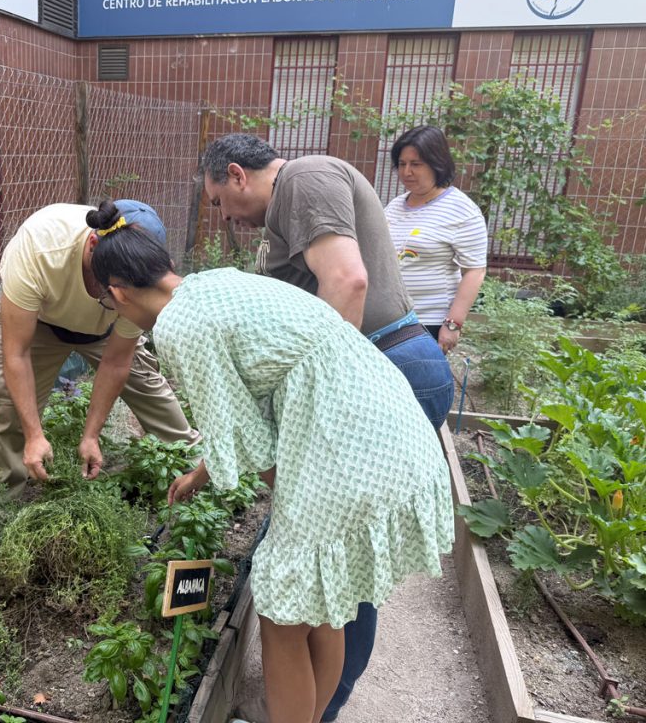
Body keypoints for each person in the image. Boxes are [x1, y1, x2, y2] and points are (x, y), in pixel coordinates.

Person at [87, 211, 454, 723]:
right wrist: (202, 473)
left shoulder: (178, 327)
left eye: (106, 301)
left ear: (119, 293)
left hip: (346, 446)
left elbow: (247, 437)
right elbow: (245, 407)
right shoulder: (214, 284)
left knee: (282, 608)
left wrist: (294, 507)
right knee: (323, 604)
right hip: (387, 424)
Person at [198, 133, 454, 722]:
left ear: (237, 174)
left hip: (388, 363)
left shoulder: (304, 179)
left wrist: (329, 402)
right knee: (330, 556)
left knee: (342, 559)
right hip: (390, 362)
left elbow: (348, 281)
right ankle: (312, 705)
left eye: (219, 201)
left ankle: (321, 708)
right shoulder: (288, 208)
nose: (225, 217)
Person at [0, 199, 196, 492]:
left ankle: (199, 475)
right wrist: (34, 434)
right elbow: (16, 354)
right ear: (94, 243)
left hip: (107, 330)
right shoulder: (39, 247)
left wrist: (91, 436)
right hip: (42, 323)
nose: (114, 292)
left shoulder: (140, 281)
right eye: (109, 280)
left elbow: (117, 361)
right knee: (12, 411)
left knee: (152, 393)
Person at [385, 126, 488, 353]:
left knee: (419, 387)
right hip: (390, 320)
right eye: (402, 164)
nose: (407, 172)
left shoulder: (461, 210)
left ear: (437, 164)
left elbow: (475, 270)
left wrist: (453, 324)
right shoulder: (394, 207)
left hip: (428, 322)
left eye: (416, 164)